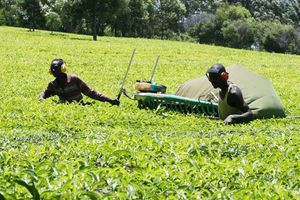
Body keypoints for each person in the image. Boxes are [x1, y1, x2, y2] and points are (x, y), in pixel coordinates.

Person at [39, 58, 120, 106]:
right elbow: (45, 93)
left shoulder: (74, 79)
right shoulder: (53, 84)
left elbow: (91, 92)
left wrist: (109, 100)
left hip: (80, 106)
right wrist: (41, 98)